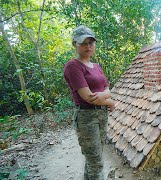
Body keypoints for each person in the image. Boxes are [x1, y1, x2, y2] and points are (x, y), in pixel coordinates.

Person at [63, 25, 115, 180]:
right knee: (96, 161)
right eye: (83, 43)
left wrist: (106, 97)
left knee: (94, 157)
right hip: (86, 117)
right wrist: (110, 102)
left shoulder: (97, 67)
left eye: (91, 42)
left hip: (101, 115)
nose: (88, 46)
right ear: (75, 44)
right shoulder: (73, 66)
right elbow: (89, 97)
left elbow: (107, 88)